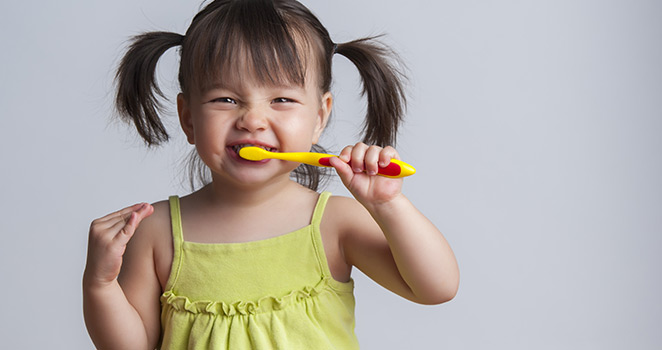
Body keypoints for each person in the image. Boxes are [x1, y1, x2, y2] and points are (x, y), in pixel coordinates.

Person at [83, 0, 459, 349]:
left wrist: (389, 205)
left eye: (281, 99)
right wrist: (100, 284)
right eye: (224, 99)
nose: (252, 120)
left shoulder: (333, 223)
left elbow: (436, 287)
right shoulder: (156, 232)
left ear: (319, 117)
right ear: (188, 118)